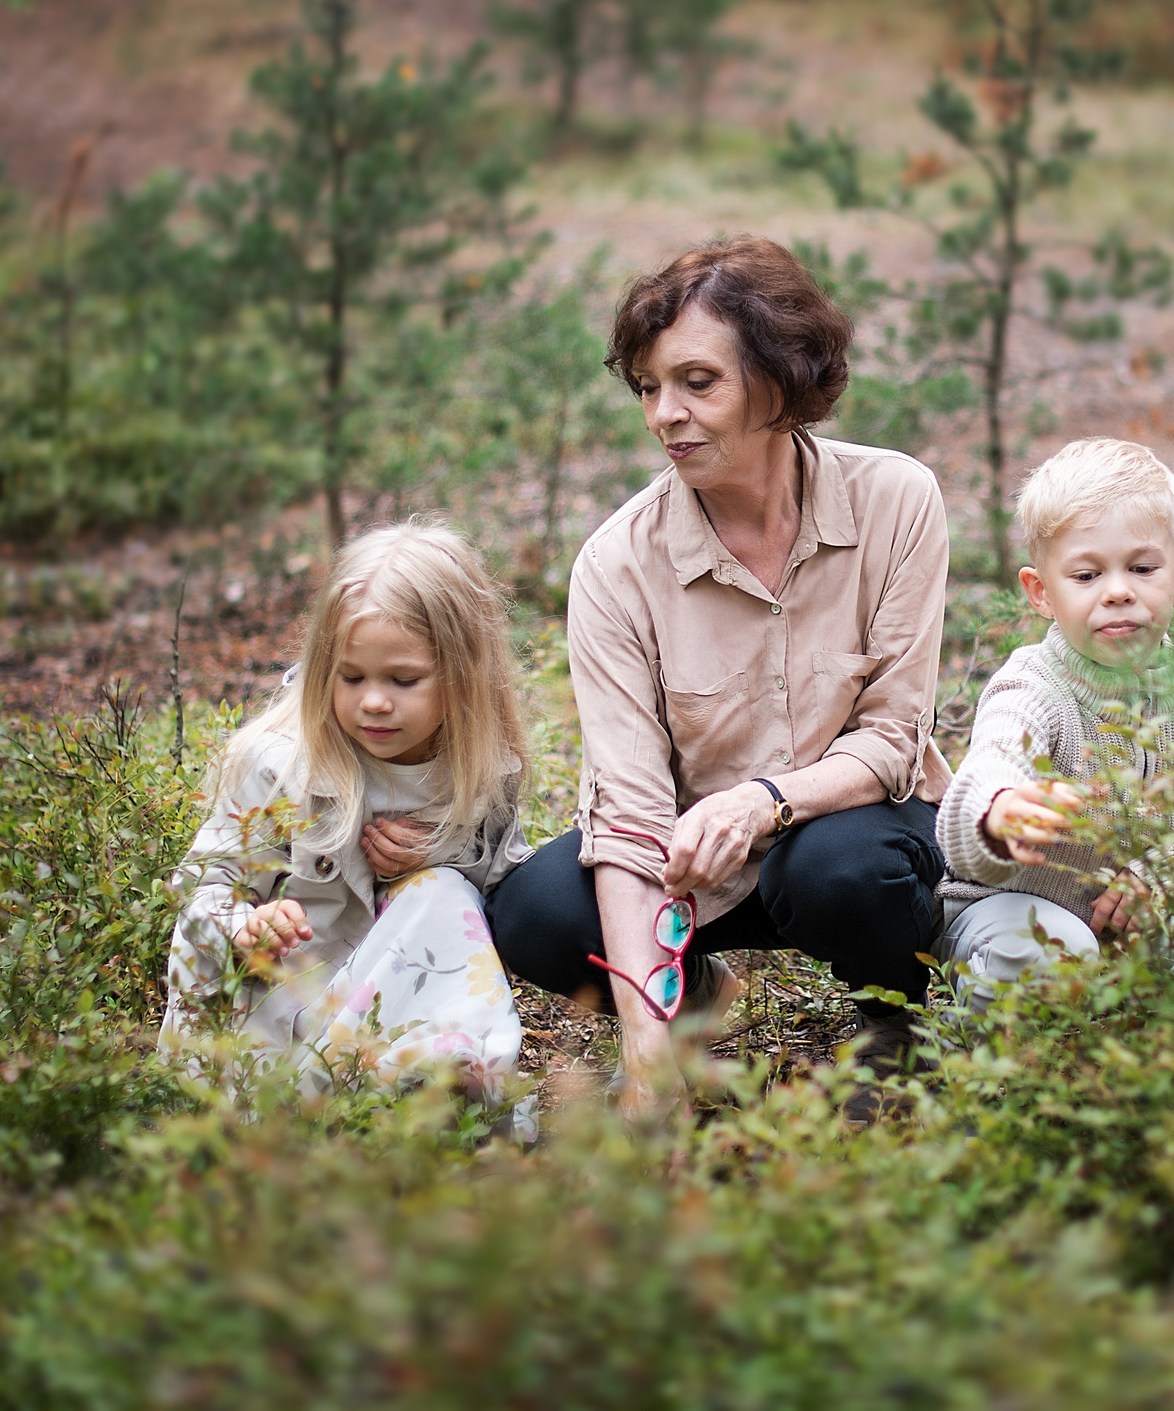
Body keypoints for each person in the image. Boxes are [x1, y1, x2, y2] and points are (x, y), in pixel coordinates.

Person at [484, 236, 951, 1114]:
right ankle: (694, 1013)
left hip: (849, 836)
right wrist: (647, 1043)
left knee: (838, 869)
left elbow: (893, 742)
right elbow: (628, 816)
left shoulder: (897, 500)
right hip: (694, 871)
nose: (665, 412)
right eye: (651, 387)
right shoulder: (617, 565)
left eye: (698, 382)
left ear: (780, 382)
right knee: (536, 910)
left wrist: (762, 801)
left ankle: (893, 1018)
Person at [161, 522, 531, 1100]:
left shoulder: (480, 767)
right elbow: (201, 887)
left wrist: (442, 854)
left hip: (385, 1008)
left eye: (403, 679)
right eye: (351, 677)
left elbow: (505, 890)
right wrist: (245, 925)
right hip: (278, 1015)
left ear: (464, 674)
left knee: (443, 893)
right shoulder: (281, 764)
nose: (374, 701)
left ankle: (452, 1079)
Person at [935, 439, 1174, 1011]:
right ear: (1041, 592)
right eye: (1087, 575)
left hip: (1153, 908)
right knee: (1045, 957)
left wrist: (1173, 869)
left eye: (1142, 568)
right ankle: (998, 1061)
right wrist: (998, 813)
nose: (1118, 590)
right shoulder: (1033, 687)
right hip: (1015, 912)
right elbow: (990, 764)